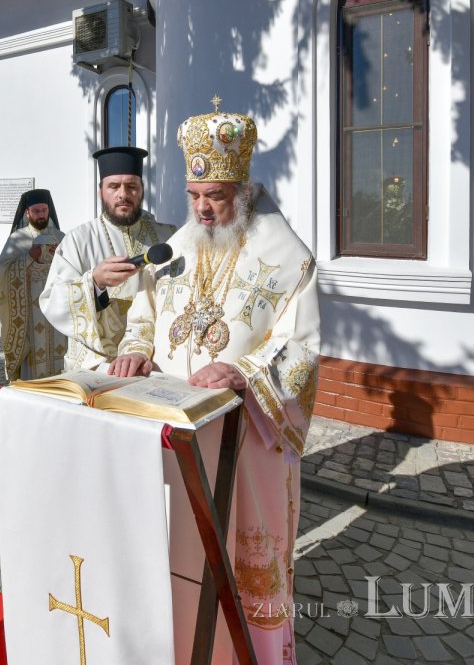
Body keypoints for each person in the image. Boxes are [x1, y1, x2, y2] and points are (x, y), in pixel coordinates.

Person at [108, 102, 320, 664]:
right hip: (176, 432)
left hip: (246, 436)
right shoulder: (175, 249)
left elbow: (300, 347)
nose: (204, 209)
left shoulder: (287, 258)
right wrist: (134, 350)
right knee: (179, 555)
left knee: (242, 556)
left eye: (217, 197)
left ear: (243, 190)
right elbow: (144, 318)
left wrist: (244, 373)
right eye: (196, 196)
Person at [39, 146, 177, 371]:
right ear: (101, 191)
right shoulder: (78, 239)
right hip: (99, 363)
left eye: (131, 186)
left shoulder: (167, 235)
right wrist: (94, 281)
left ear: (142, 190)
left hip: (152, 360)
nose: (123, 194)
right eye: (113, 186)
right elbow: (52, 300)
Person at [0, 189, 67, 380]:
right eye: (36, 211)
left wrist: (59, 258)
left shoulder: (61, 237)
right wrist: (29, 258)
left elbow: (74, 270)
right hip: (29, 313)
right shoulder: (17, 239)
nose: (41, 215)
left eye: (44, 210)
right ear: (27, 212)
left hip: (56, 310)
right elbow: (1, 274)